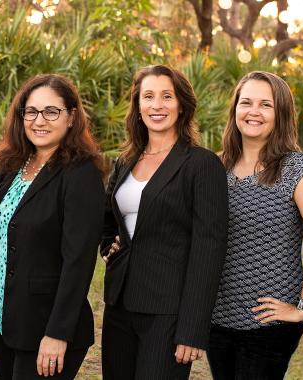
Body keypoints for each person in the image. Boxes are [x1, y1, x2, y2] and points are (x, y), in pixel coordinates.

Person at [206, 71, 303, 379]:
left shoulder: (295, 167)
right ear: (235, 109)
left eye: (265, 104)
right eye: (246, 102)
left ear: (280, 113)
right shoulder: (216, 166)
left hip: (269, 322)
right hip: (217, 317)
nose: (254, 111)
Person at [0, 74, 104, 379]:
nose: (39, 120)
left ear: (71, 117)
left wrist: (58, 333)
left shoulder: (80, 174)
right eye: (31, 112)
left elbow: (79, 262)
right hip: (6, 321)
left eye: (51, 112)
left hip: (47, 328)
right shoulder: (13, 167)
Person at [100, 64, 227, 379]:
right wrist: (108, 246)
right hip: (119, 306)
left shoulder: (201, 164)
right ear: (138, 106)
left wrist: (192, 329)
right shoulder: (126, 161)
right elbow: (108, 219)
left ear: (181, 105)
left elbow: (209, 248)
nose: (157, 105)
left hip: (168, 312)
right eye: (148, 96)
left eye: (166, 96)